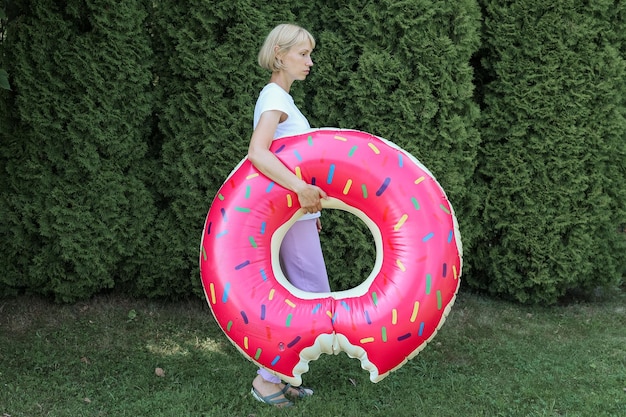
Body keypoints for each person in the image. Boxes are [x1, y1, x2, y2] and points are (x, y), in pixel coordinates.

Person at [247, 23, 330, 408]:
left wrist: (309, 208)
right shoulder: (273, 98)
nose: (309, 62)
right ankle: (266, 379)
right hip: (289, 213)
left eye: (310, 54)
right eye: (302, 54)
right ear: (279, 55)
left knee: (302, 293)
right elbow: (258, 153)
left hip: (298, 217)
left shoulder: (282, 98)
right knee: (309, 293)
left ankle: (284, 376)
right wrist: (299, 190)